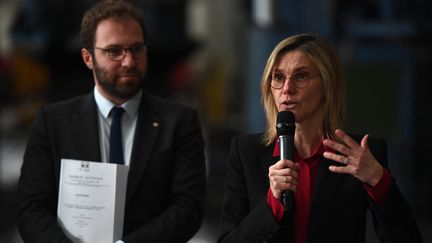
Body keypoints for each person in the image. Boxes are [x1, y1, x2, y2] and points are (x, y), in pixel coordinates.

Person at [17, 1, 206, 242]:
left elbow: (188, 208)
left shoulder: (180, 122)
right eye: (114, 51)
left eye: (136, 49)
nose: (128, 62)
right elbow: (30, 209)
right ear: (88, 58)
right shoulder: (52, 122)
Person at [218, 33, 422, 243]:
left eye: (301, 76)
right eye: (278, 77)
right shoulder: (246, 152)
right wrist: (272, 203)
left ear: (327, 84)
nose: (287, 89)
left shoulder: (362, 155)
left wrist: (378, 180)